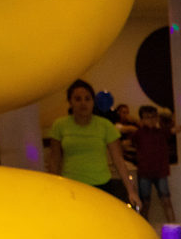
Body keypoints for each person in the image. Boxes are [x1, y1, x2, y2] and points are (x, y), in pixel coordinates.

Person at [47, 79, 141, 208]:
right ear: (70, 102)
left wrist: (131, 191)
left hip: (101, 185)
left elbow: (118, 160)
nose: (83, 103)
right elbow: (54, 160)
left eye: (87, 99)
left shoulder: (105, 125)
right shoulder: (60, 125)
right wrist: (53, 187)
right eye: (78, 99)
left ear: (93, 101)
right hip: (71, 186)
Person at [130, 104, 176, 222]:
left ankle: (173, 226)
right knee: (145, 203)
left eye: (153, 117)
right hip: (145, 172)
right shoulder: (138, 133)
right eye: (147, 117)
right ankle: (145, 229)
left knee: (166, 200)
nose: (151, 120)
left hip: (161, 171)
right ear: (142, 119)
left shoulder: (161, 132)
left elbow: (176, 129)